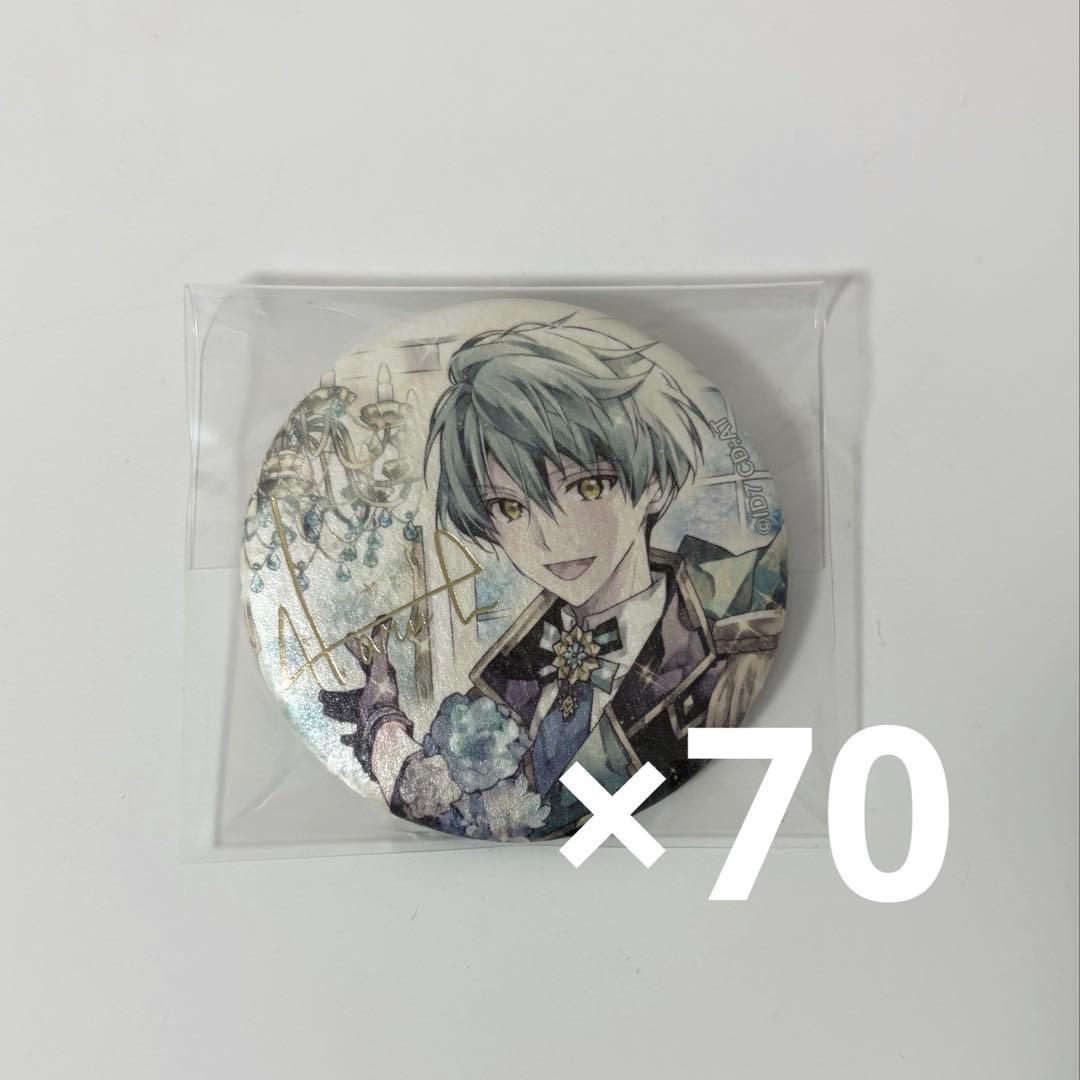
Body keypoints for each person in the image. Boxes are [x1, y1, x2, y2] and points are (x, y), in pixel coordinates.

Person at [320, 317, 786, 840]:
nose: (550, 537)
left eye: (587, 488)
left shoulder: (737, 626)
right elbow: (433, 804)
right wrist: (382, 715)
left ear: (653, 482)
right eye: (509, 507)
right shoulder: (506, 683)